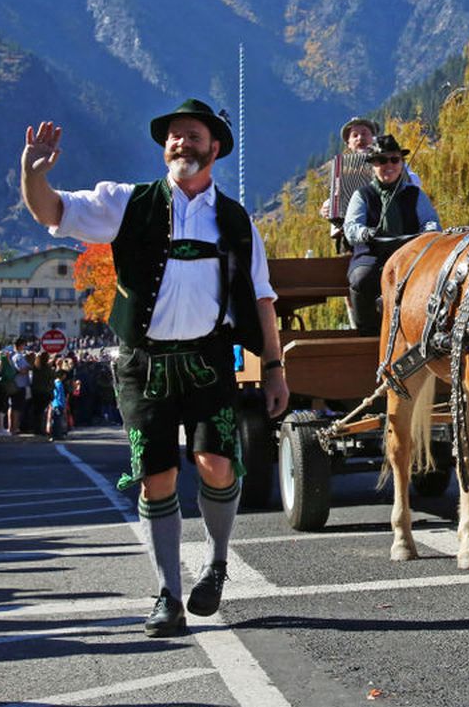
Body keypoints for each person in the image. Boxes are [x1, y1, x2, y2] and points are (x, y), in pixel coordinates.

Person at [21, 98, 289, 636]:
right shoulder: (126, 202)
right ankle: (168, 592)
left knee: (216, 464)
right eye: (172, 136)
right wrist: (33, 176)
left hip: (210, 360)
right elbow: (52, 210)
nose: (179, 143)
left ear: (215, 148)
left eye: (191, 136)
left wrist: (276, 367)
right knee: (156, 477)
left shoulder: (234, 219)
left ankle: (216, 562)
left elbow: (262, 298)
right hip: (142, 364)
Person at [343, 133, 441, 336]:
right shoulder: (362, 195)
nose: (389, 165)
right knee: (362, 279)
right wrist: (365, 233)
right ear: (373, 165)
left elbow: (430, 221)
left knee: (434, 276)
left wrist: (429, 232)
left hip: (411, 253)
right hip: (372, 254)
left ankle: (425, 332)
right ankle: (368, 333)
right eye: (381, 160)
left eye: (394, 159)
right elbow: (351, 227)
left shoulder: (415, 194)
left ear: (402, 163)